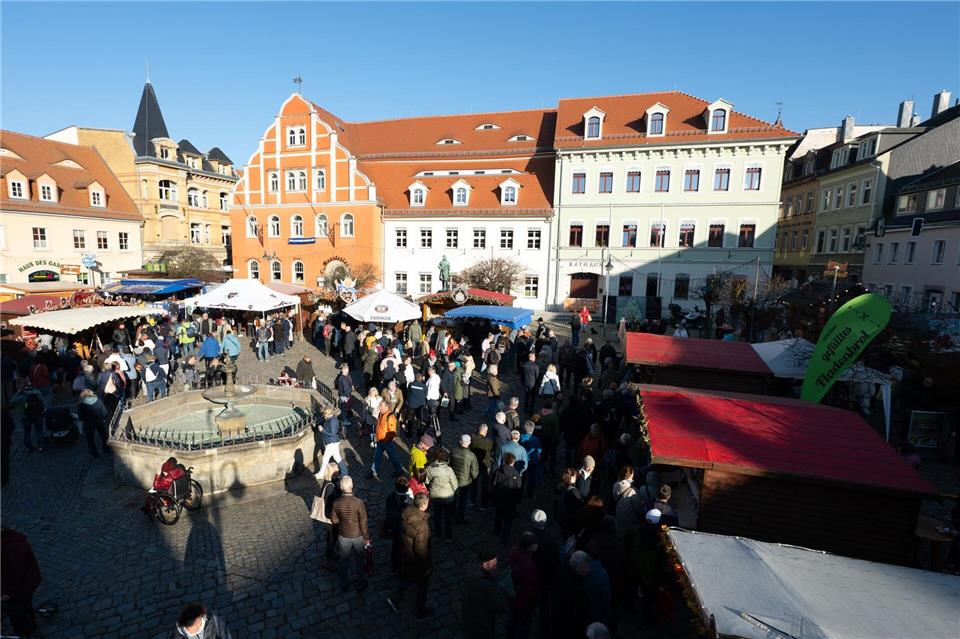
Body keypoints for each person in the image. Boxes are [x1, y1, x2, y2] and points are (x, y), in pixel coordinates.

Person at [387, 492, 433, 620]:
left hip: (406, 555)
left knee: (408, 579)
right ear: (423, 505)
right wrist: (426, 567)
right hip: (417, 561)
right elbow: (421, 550)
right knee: (423, 586)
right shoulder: (422, 526)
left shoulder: (406, 512)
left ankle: (394, 598)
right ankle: (420, 611)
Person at [330, 475, 370, 592]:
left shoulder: (336, 502)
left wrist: (342, 521)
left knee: (343, 560)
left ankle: (343, 583)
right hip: (357, 536)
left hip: (343, 535)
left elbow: (334, 520)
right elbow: (363, 522)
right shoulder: (358, 503)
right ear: (351, 486)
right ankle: (361, 582)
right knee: (359, 560)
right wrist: (366, 538)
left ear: (341, 488)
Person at [1, 527, 42, 639]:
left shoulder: (13, 547)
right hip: (16, 584)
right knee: (23, 606)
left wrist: (8, 593)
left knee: (19, 612)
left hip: (21, 586)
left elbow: (16, 574)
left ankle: (28, 632)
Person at [462, 547, 511, 639]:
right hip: (480, 625)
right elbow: (501, 606)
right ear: (485, 564)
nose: (496, 567)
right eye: (494, 565)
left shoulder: (473, 570)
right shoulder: (484, 586)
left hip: (469, 618)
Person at [507, 531, 540, 639]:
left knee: (512, 618)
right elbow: (529, 588)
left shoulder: (513, 551)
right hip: (523, 600)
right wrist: (534, 600)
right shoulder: (527, 565)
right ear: (528, 547)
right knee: (523, 624)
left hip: (513, 594)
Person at [491, 452, 523, 545]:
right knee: (508, 521)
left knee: (498, 515)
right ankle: (505, 539)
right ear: (513, 462)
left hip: (499, 499)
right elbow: (518, 489)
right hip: (510, 501)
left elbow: (493, 484)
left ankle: (497, 530)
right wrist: (517, 501)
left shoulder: (498, 471)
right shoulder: (516, 474)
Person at [383, 476, 412, 573]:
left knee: (395, 547)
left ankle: (394, 565)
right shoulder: (409, 499)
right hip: (405, 529)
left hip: (395, 527)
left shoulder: (390, 496)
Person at [371, 402, 405, 480]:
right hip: (380, 441)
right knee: (377, 456)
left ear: (387, 407)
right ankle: (374, 471)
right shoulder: (381, 414)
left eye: (381, 406)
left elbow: (392, 432)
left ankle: (399, 471)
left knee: (393, 457)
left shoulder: (390, 417)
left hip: (387, 442)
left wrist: (386, 441)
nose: (379, 408)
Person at [451, 434, 479, 524]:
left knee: (454, 498)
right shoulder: (471, 455)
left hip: (453, 480)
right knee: (463, 500)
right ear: (469, 443)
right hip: (465, 482)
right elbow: (475, 473)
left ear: (460, 441)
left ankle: (452, 514)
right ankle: (460, 517)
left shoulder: (453, 451)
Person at [78, 389, 111, 458]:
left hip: (88, 424)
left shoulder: (81, 404)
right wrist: (104, 418)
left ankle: (95, 455)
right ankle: (106, 450)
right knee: (103, 436)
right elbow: (104, 411)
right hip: (99, 421)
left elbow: (80, 416)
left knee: (90, 439)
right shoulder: (98, 400)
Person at [470, 424, 494, 511]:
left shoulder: (472, 438)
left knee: (474, 482)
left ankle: (472, 500)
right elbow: (491, 451)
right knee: (485, 485)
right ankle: (483, 504)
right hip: (485, 465)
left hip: (475, 464)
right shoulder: (488, 441)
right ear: (486, 432)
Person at [334, 364, 354, 431]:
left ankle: (343, 419)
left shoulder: (342, 377)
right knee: (344, 408)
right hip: (344, 396)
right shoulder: (343, 379)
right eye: (347, 371)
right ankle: (344, 421)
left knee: (344, 407)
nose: (348, 372)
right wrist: (348, 396)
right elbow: (345, 389)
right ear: (345, 371)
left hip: (343, 395)